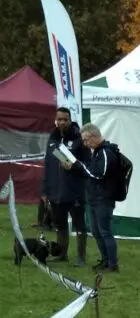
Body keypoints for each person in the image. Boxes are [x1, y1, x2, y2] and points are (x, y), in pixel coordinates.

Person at [63, 123, 120, 273]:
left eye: (86, 140)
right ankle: (105, 261)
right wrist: (74, 168)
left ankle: (113, 265)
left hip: (104, 199)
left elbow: (98, 174)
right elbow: (89, 173)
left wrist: (78, 165)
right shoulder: (97, 152)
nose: (85, 143)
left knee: (105, 232)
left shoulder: (106, 153)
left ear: (94, 137)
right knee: (96, 232)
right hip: (94, 198)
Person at [41, 107, 87, 266]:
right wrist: (45, 190)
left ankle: (81, 257)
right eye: (59, 119)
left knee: (79, 225)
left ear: (70, 119)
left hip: (74, 192)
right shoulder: (52, 138)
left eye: (65, 119)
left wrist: (73, 167)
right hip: (55, 191)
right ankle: (62, 254)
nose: (61, 122)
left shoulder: (79, 138)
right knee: (60, 224)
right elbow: (47, 165)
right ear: (56, 120)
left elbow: (86, 165)